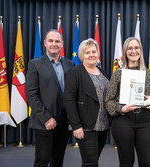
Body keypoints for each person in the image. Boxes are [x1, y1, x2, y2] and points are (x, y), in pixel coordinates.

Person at [105, 37, 150, 167]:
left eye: (136, 48)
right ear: (125, 52)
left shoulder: (149, 74)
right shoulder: (118, 73)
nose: (133, 51)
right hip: (124, 121)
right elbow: (108, 101)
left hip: (144, 121)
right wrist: (121, 109)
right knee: (126, 163)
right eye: (130, 48)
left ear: (140, 50)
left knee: (148, 163)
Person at [26, 29, 75, 167]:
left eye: (57, 41)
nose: (54, 44)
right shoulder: (35, 64)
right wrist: (46, 118)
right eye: (51, 41)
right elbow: (31, 94)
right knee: (42, 160)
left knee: (58, 158)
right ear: (45, 43)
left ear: (62, 44)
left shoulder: (70, 64)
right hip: (44, 121)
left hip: (64, 120)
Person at [64, 38, 110, 167]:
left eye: (94, 52)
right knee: (90, 162)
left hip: (103, 124)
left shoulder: (103, 72)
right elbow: (69, 100)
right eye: (87, 52)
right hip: (85, 125)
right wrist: (76, 126)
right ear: (82, 55)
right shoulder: (75, 73)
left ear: (98, 53)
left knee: (94, 160)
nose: (91, 55)